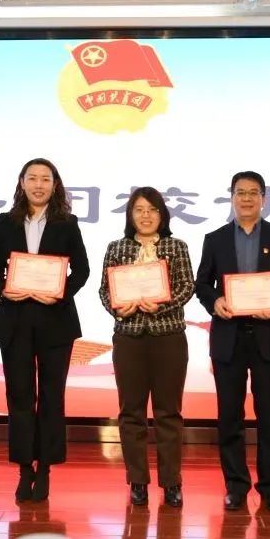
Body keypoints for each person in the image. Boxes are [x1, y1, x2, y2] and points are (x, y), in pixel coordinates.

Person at [194, 170, 270, 512]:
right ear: (231, 197)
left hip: (268, 338)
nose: (246, 198)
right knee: (229, 416)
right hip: (228, 339)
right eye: (240, 192)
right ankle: (235, 486)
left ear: (263, 199)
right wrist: (215, 301)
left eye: (253, 193)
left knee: (269, 417)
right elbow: (202, 283)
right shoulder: (215, 239)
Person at [0, 157, 90, 502]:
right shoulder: (5, 222)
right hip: (15, 320)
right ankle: (24, 469)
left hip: (55, 321)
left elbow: (82, 270)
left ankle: (44, 468)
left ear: (55, 185)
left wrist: (60, 293)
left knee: (50, 396)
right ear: (22, 183)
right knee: (19, 396)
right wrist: (4, 290)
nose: (39, 185)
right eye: (32, 178)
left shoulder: (67, 223)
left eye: (46, 179)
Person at [97, 186, 195, 508]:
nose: (146, 216)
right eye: (139, 210)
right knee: (131, 412)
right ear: (130, 215)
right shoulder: (117, 248)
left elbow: (187, 286)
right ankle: (137, 480)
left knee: (169, 412)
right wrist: (118, 309)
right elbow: (105, 290)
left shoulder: (176, 246)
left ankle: (171, 482)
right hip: (129, 337)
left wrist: (162, 305)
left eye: (152, 210)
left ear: (162, 214)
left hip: (168, 336)